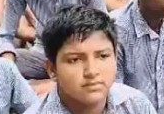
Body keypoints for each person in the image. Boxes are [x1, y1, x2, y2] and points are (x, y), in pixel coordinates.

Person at [25, 6, 157, 114]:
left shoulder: (135, 104)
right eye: (75, 60)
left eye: (103, 56)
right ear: (52, 70)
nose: (92, 71)